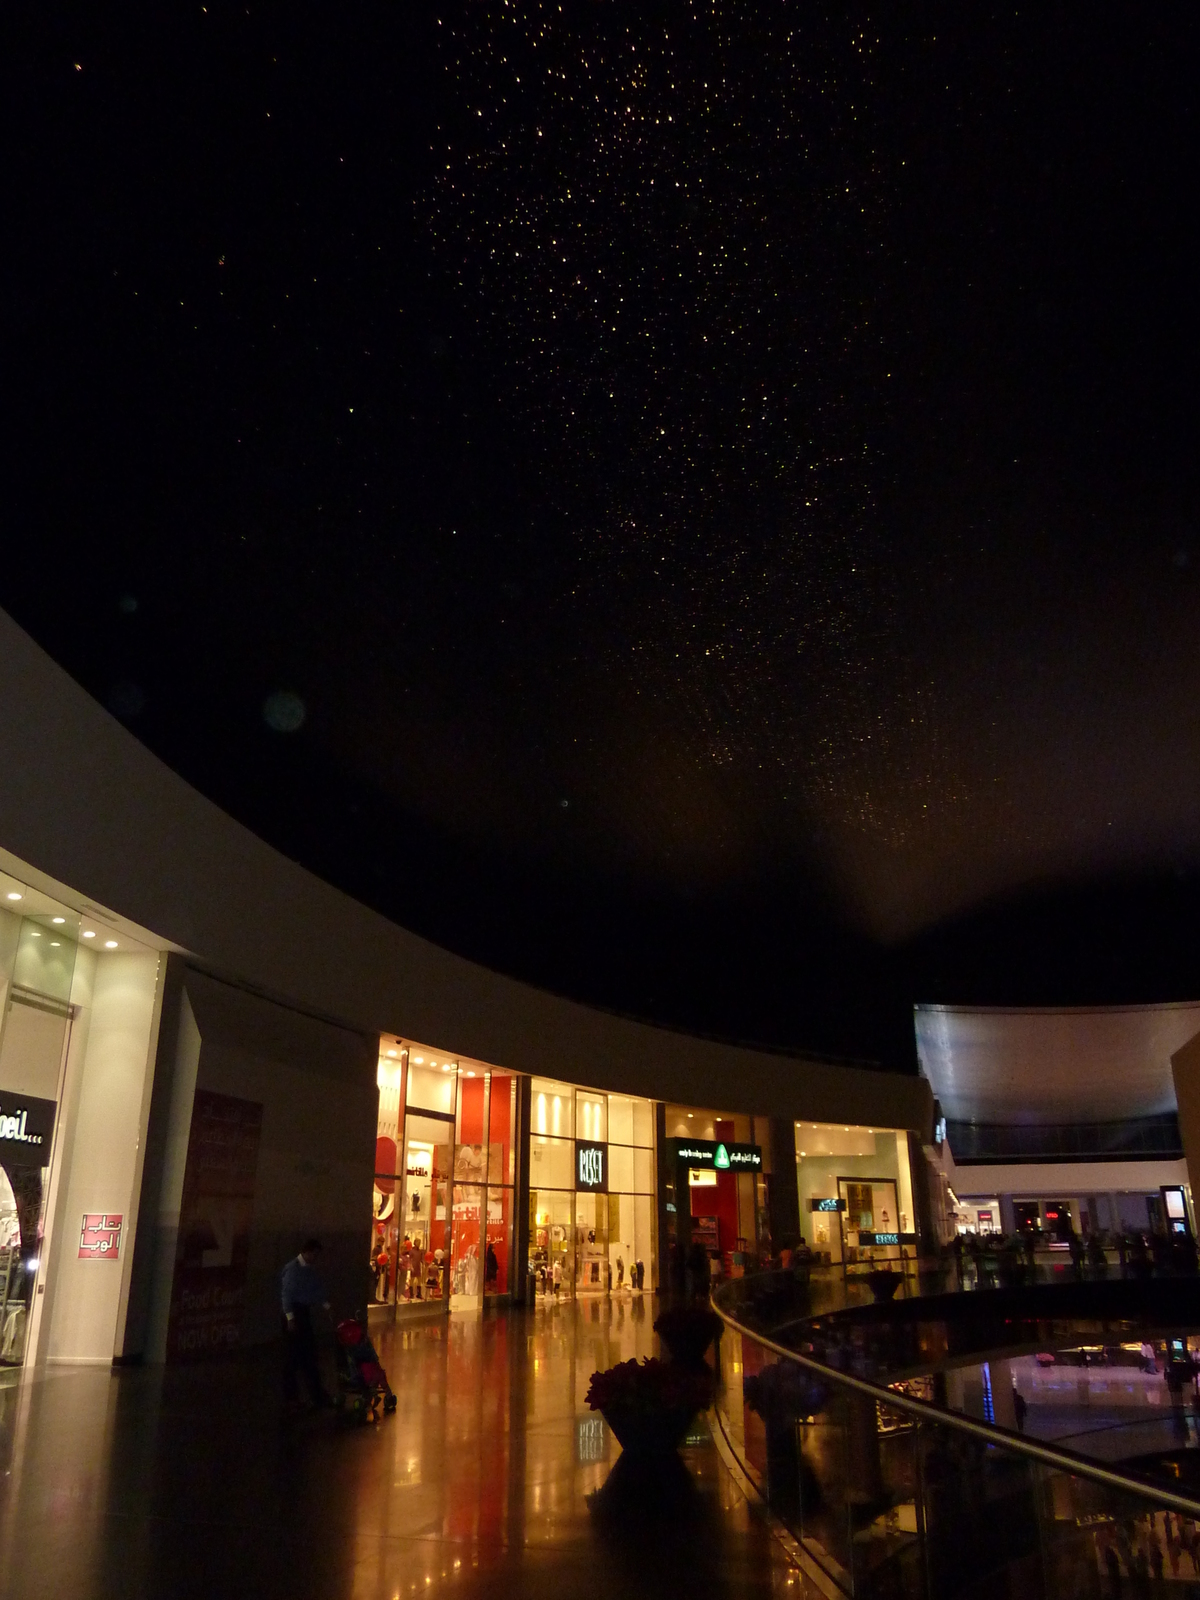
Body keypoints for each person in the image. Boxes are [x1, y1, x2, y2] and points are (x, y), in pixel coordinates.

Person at [282, 1237, 333, 1408]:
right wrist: (290, 1318)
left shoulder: (308, 1269)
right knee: (296, 1357)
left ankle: (306, 1395)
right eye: (315, 1254)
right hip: (296, 1314)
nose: (316, 1258)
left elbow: (316, 1289)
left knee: (303, 1355)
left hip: (302, 1312)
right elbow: (287, 1296)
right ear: (308, 1252)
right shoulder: (293, 1269)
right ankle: (297, 1395)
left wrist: (326, 1305)